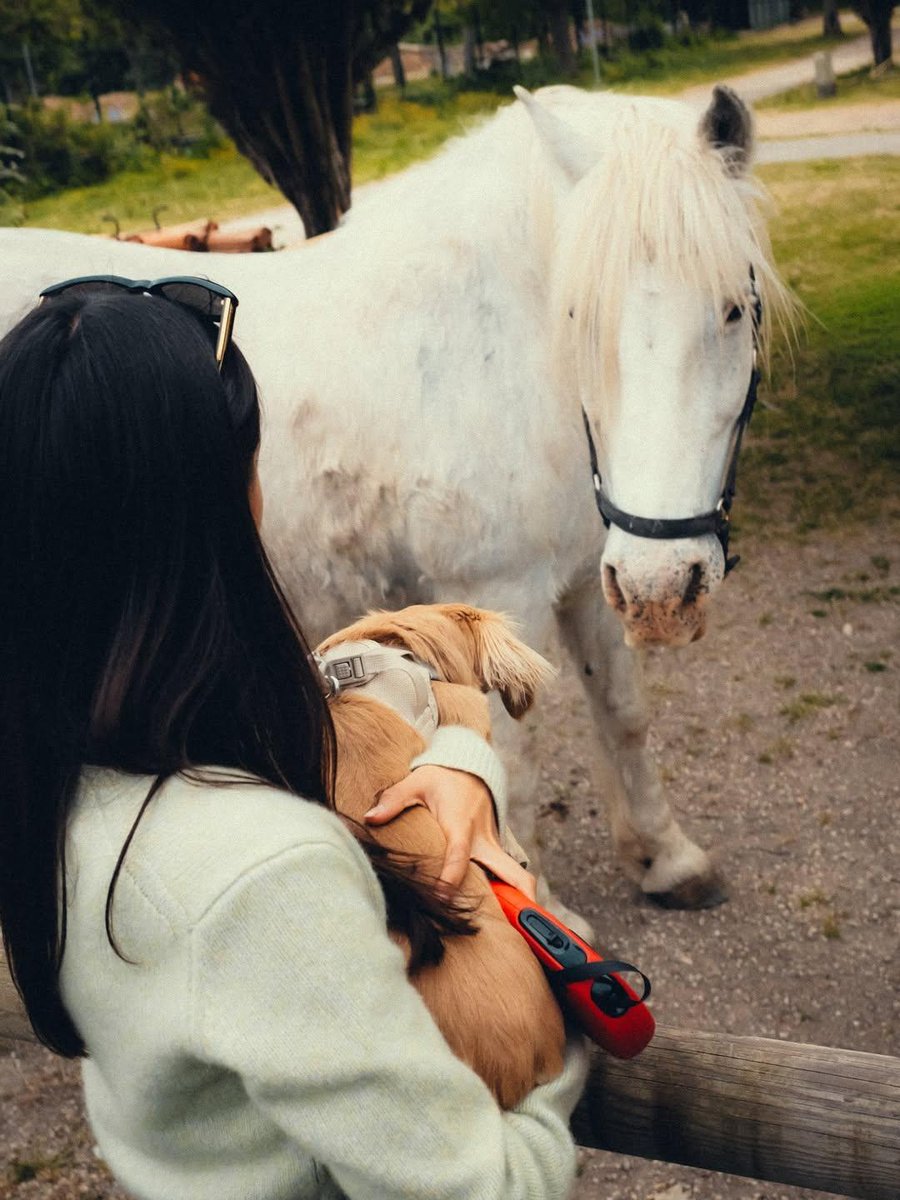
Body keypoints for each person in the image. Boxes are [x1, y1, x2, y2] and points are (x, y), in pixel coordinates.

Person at [0, 277, 587, 1200]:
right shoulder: (261, 875)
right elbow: (489, 1187)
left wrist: (463, 763)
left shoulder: (63, 768)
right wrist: (561, 1036)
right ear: (226, 508)